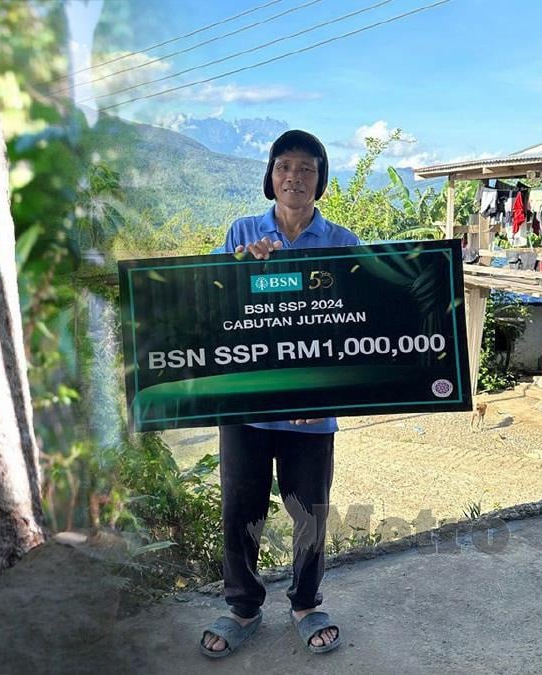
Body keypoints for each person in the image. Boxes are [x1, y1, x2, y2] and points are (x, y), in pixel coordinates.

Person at [199, 130, 358, 659]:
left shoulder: (343, 243)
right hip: (247, 406)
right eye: (284, 167)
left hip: (312, 412)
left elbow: (362, 322)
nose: (294, 178)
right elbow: (216, 309)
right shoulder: (242, 232)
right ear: (270, 177)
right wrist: (241, 270)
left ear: (321, 180)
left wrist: (327, 393)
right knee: (240, 507)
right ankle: (242, 606)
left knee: (309, 510)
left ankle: (307, 604)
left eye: (306, 169)